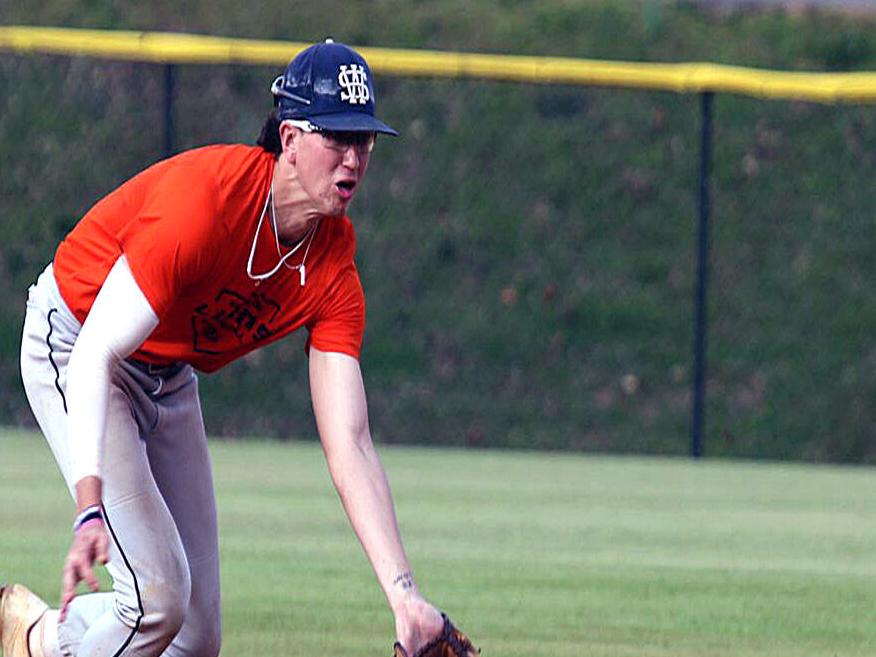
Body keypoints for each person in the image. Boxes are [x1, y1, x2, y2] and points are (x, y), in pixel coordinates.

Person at [4, 39, 460, 657]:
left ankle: (35, 640)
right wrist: (89, 508)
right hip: (76, 343)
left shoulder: (332, 270)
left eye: (366, 141)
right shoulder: (206, 205)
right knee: (157, 600)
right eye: (337, 137)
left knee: (194, 637)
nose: (354, 157)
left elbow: (349, 442)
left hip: (165, 373)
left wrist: (403, 595)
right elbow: (96, 355)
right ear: (291, 138)